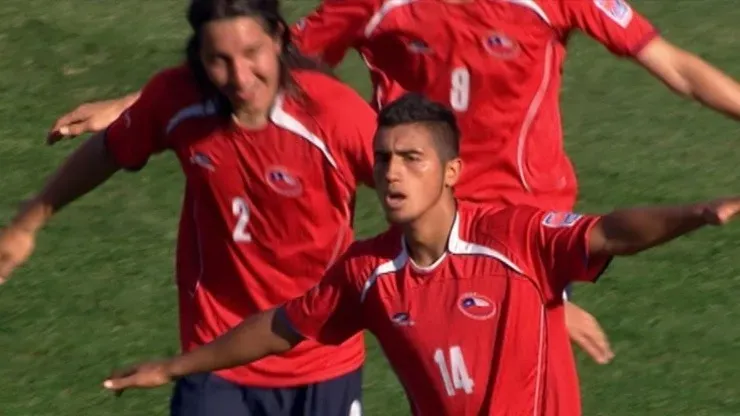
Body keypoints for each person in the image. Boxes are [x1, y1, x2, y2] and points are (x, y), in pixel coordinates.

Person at [100, 92, 740, 415]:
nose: (393, 174)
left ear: (452, 170)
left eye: (412, 158)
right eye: (383, 160)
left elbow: (611, 233)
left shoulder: (513, 237)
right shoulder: (369, 270)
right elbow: (280, 327)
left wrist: (696, 214)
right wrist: (179, 366)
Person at [0, 0, 378, 415]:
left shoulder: (335, 115)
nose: (239, 77)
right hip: (214, 356)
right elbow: (108, 150)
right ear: (199, 57)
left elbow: (418, 193)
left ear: (279, 39)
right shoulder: (179, 101)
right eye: (219, 60)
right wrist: (29, 221)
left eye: (252, 54)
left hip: (320, 356)